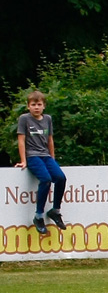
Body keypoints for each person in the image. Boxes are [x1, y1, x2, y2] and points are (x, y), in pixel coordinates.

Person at [15, 91, 67, 236]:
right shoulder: (24, 119)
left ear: (44, 106)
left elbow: (50, 139)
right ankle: (38, 216)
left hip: (45, 155)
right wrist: (23, 160)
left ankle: (55, 210)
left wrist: (53, 158)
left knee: (61, 178)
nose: (36, 107)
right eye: (33, 105)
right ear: (28, 106)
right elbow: (21, 140)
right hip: (32, 156)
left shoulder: (48, 119)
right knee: (46, 179)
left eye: (39, 104)